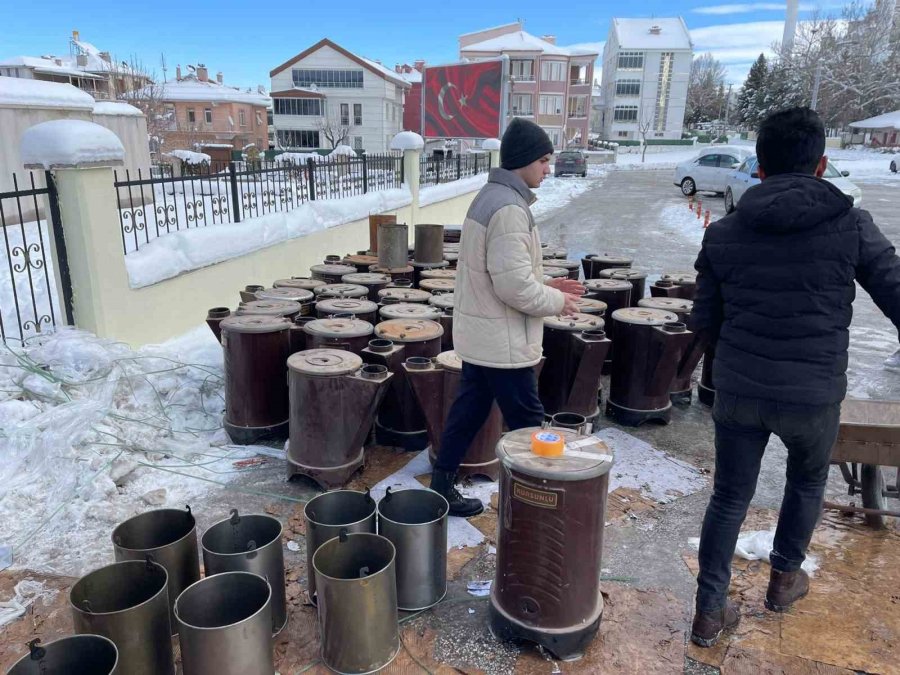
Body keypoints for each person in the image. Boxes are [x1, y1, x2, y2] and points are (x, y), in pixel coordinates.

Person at [689, 106, 900, 647]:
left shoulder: (724, 233)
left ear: (759, 169)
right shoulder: (852, 225)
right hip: (813, 394)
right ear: (821, 164)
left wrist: (730, 363)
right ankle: (783, 582)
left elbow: (703, 321)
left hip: (739, 390)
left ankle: (709, 612)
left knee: (729, 497)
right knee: (806, 482)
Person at [429, 118, 584, 517]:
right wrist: (556, 300)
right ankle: (539, 508)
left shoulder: (490, 197)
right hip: (503, 343)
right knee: (529, 423)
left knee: (469, 411)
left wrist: (546, 284)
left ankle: (441, 485)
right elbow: (513, 288)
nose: (548, 169)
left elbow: (500, 273)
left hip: (486, 334)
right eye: (544, 161)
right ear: (524, 160)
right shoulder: (510, 209)